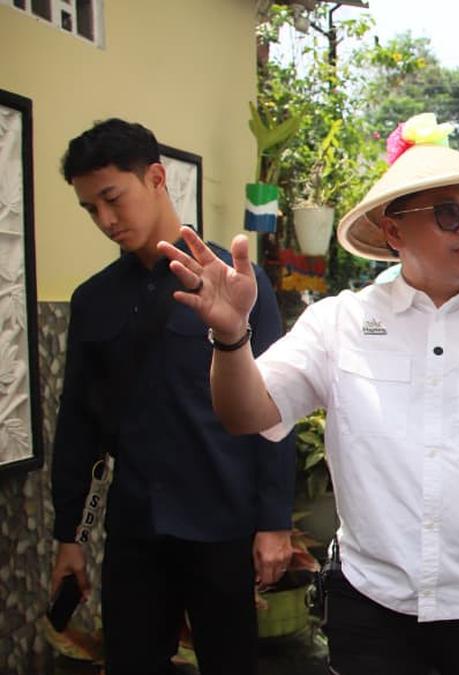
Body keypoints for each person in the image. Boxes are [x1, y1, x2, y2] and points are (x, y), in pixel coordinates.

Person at [156, 114, 459, 675]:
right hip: (372, 609)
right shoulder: (338, 323)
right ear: (394, 232)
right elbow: (246, 414)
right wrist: (229, 336)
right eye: (447, 213)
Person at [50, 118, 295, 674]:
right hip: (136, 529)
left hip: (222, 524)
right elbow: (78, 425)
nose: (106, 220)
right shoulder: (94, 301)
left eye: (113, 198)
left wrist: (274, 520)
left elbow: (276, 406)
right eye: (91, 209)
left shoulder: (232, 281)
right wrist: (70, 535)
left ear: (156, 178)